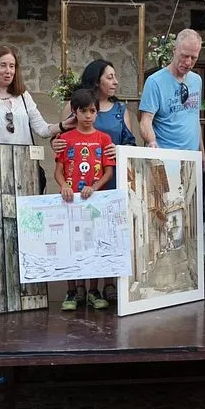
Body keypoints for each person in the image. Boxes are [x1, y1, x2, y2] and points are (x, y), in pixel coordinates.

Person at [54, 59, 137, 304]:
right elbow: (61, 141)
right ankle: (77, 287)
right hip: (77, 181)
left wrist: (119, 151)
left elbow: (129, 144)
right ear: (96, 79)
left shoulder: (120, 110)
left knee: (107, 233)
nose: (115, 81)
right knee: (79, 234)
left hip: (107, 180)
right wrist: (54, 145)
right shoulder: (74, 104)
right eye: (110, 77)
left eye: (115, 76)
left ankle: (107, 284)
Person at [54, 88, 115, 311]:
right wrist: (64, 186)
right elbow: (58, 171)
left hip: (95, 202)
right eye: (83, 111)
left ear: (97, 113)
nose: (88, 116)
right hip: (71, 203)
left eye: (92, 111)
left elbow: (108, 172)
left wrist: (95, 187)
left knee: (94, 244)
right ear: (74, 112)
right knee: (72, 245)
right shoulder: (65, 139)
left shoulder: (103, 139)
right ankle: (71, 291)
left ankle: (93, 290)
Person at [0, 45, 74, 144]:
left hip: (22, 164)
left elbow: (42, 129)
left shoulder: (24, 96)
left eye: (12, 66)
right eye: (3, 65)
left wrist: (63, 125)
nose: (8, 71)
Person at [139, 28, 205, 170]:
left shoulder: (197, 80)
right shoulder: (154, 82)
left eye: (193, 58)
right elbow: (146, 120)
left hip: (191, 160)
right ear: (174, 50)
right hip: (165, 159)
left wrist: (202, 152)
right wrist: (151, 143)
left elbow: (194, 119)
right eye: (184, 56)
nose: (188, 62)